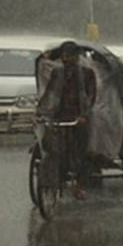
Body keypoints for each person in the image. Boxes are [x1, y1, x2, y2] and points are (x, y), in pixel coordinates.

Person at [37, 40, 97, 200]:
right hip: (59, 115)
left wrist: (84, 115)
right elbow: (49, 93)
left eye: (69, 56)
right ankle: (55, 176)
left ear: (77, 57)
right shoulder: (57, 73)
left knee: (80, 151)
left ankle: (79, 185)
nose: (66, 59)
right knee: (52, 147)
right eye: (64, 56)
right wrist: (40, 111)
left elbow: (91, 96)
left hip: (79, 117)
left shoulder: (87, 74)